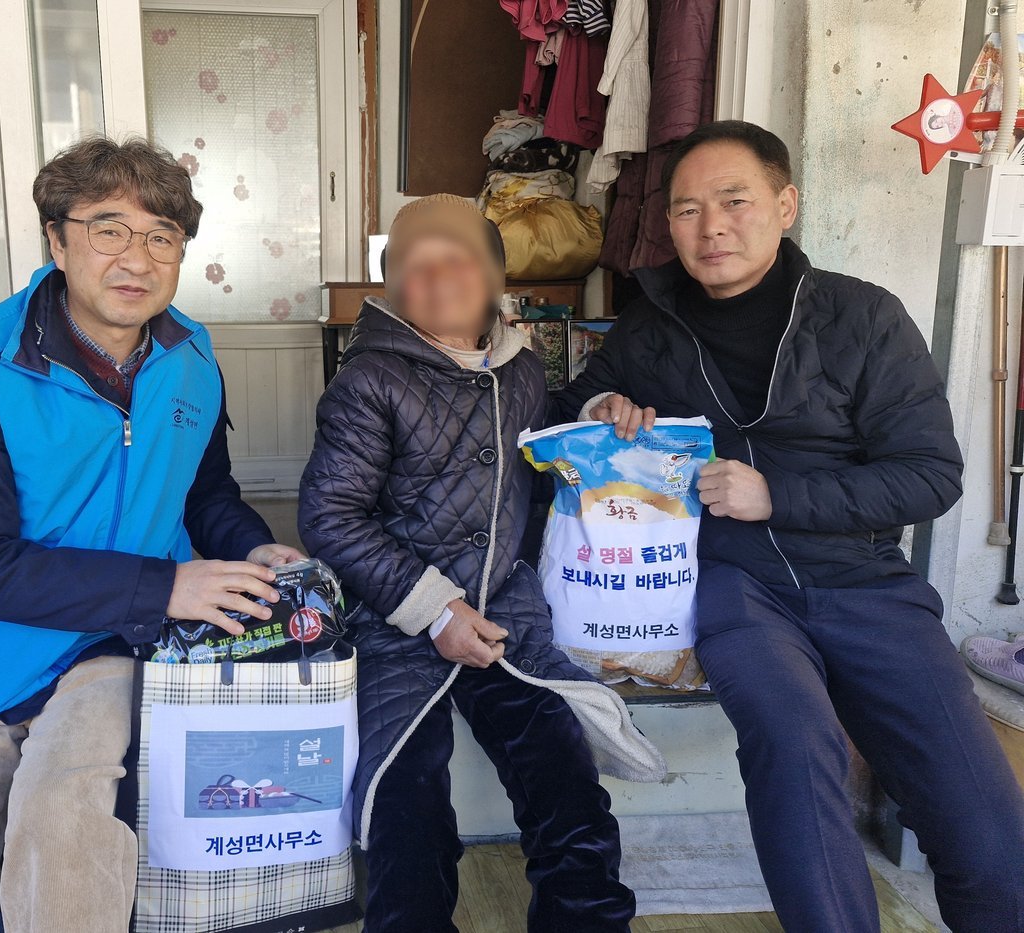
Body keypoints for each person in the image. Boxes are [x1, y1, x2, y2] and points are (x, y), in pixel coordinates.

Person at [556, 119, 1024, 933]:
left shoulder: (863, 316)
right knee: (795, 743)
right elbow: (572, 408)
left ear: (785, 205)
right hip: (735, 586)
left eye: (734, 200)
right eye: (687, 209)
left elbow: (930, 475)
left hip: (867, 583)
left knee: (982, 819)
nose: (711, 226)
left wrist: (778, 495)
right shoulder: (650, 325)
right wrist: (602, 407)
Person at [0, 137, 303, 933]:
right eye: (108, 229)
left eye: (162, 235)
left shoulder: (191, 359)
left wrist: (253, 545)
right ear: (57, 241)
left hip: (111, 646)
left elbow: (205, 492)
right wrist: (166, 585)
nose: (137, 258)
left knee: (65, 854)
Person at [298, 194, 666, 933]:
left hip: (504, 615)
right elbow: (330, 518)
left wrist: (592, 418)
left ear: (497, 274)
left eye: (458, 257)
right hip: (396, 623)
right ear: (391, 283)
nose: (436, 276)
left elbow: (528, 441)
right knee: (406, 804)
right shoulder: (368, 381)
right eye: (413, 263)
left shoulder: (518, 366)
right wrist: (435, 610)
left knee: (567, 787)